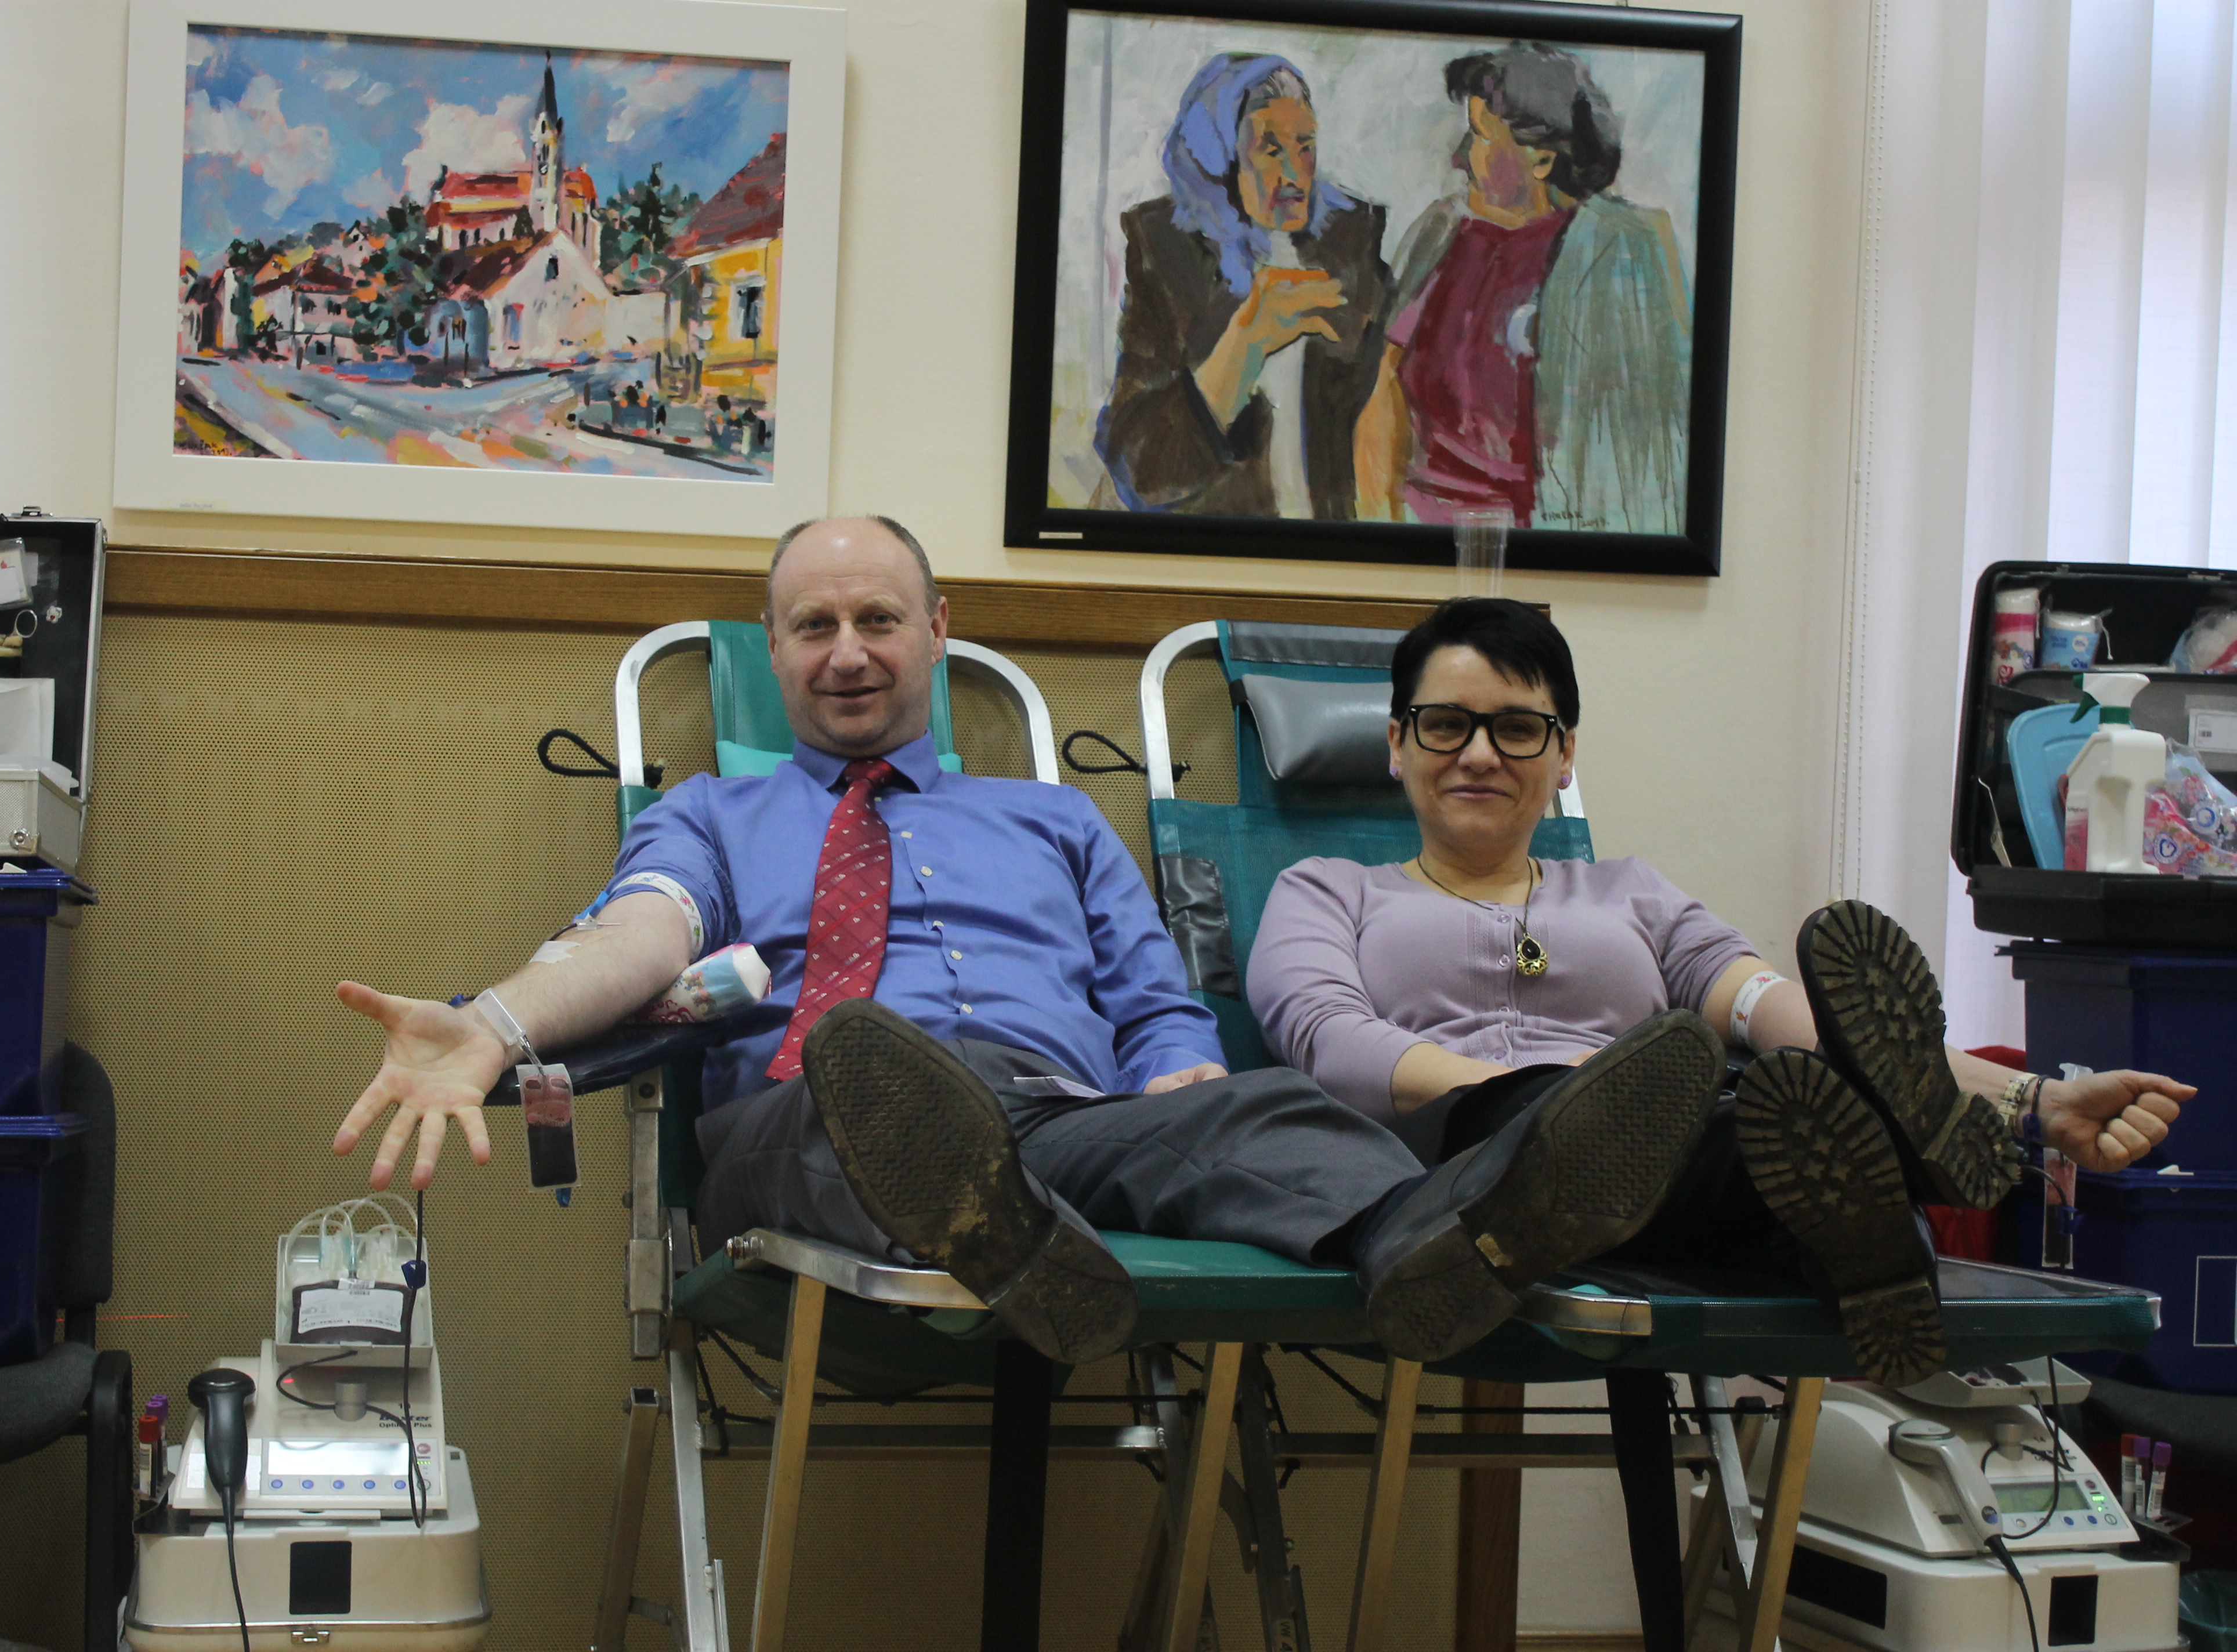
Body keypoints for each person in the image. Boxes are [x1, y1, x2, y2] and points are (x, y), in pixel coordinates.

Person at [330, 517, 1739, 1370]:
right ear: (774, 647)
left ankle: (1436, 1241)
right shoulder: (709, 812)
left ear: (937, 632)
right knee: (863, 1079)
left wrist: (1186, 1079)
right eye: (812, 625)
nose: (846, 649)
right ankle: (1007, 1227)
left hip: (1055, 1118)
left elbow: (1152, 1000)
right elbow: (642, 934)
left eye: (878, 618)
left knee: (1264, 1106)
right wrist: (497, 1024)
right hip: (815, 1110)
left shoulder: (1054, 819)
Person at [1247, 597, 2195, 1383]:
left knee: (1788, 1110)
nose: (1480, 753)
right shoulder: (1329, 891)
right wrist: (1564, 1097)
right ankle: (1881, 1226)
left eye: (1518, 728)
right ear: (1397, 743)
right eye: (1446, 724)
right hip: (1464, 1172)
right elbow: (1333, 1043)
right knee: (1733, 1132)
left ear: (1565, 755)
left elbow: (1779, 1009)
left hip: (1666, 1163)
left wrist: (2032, 1099)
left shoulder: (1632, 894)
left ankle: (1869, 1231)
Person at [1352, 43, 1691, 533]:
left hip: (1536, 544)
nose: (1459, 158)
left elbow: (1641, 449)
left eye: (1480, 137)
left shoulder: (1612, 254)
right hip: (1415, 534)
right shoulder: (1439, 233)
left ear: (1542, 159)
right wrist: (1382, 529)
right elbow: (1387, 395)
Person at [1096, 53, 1393, 519]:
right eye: (1271, 151)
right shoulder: (1167, 250)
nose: (1295, 175)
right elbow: (1140, 472)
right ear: (1221, 157)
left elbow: (1384, 407)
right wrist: (1245, 344)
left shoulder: (1351, 242)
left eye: (1305, 147)